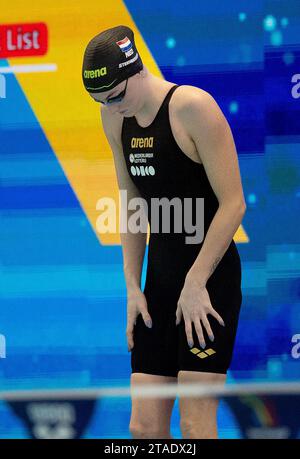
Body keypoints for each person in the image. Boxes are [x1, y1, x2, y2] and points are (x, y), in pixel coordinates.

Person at [82, 25, 246, 439]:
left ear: (136, 70)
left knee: (194, 424)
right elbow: (133, 204)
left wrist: (196, 281)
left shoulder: (192, 107)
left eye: (116, 95)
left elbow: (234, 204)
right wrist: (132, 288)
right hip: (160, 280)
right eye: (100, 100)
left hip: (210, 282)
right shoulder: (113, 119)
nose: (111, 106)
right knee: (143, 428)